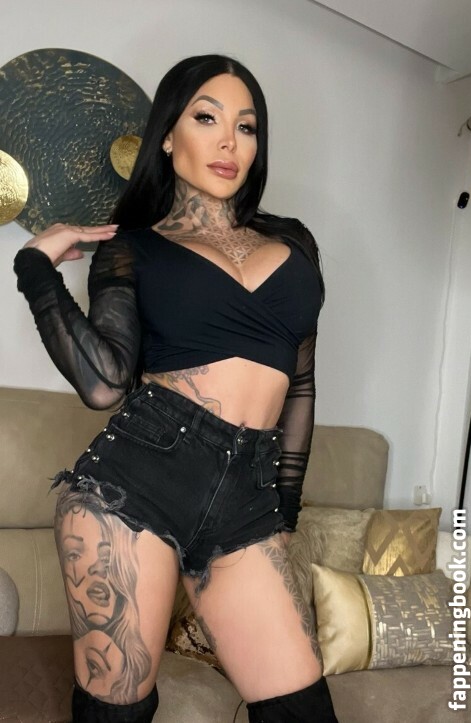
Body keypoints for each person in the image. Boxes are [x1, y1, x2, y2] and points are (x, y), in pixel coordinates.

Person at [14, 54, 338, 723]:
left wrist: (282, 510)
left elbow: (301, 381)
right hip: (133, 489)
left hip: (247, 502)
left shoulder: (294, 243)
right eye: (207, 118)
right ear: (167, 134)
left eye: (246, 126)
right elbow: (104, 383)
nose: (229, 142)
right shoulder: (134, 247)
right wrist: (36, 268)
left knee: (303, 713)